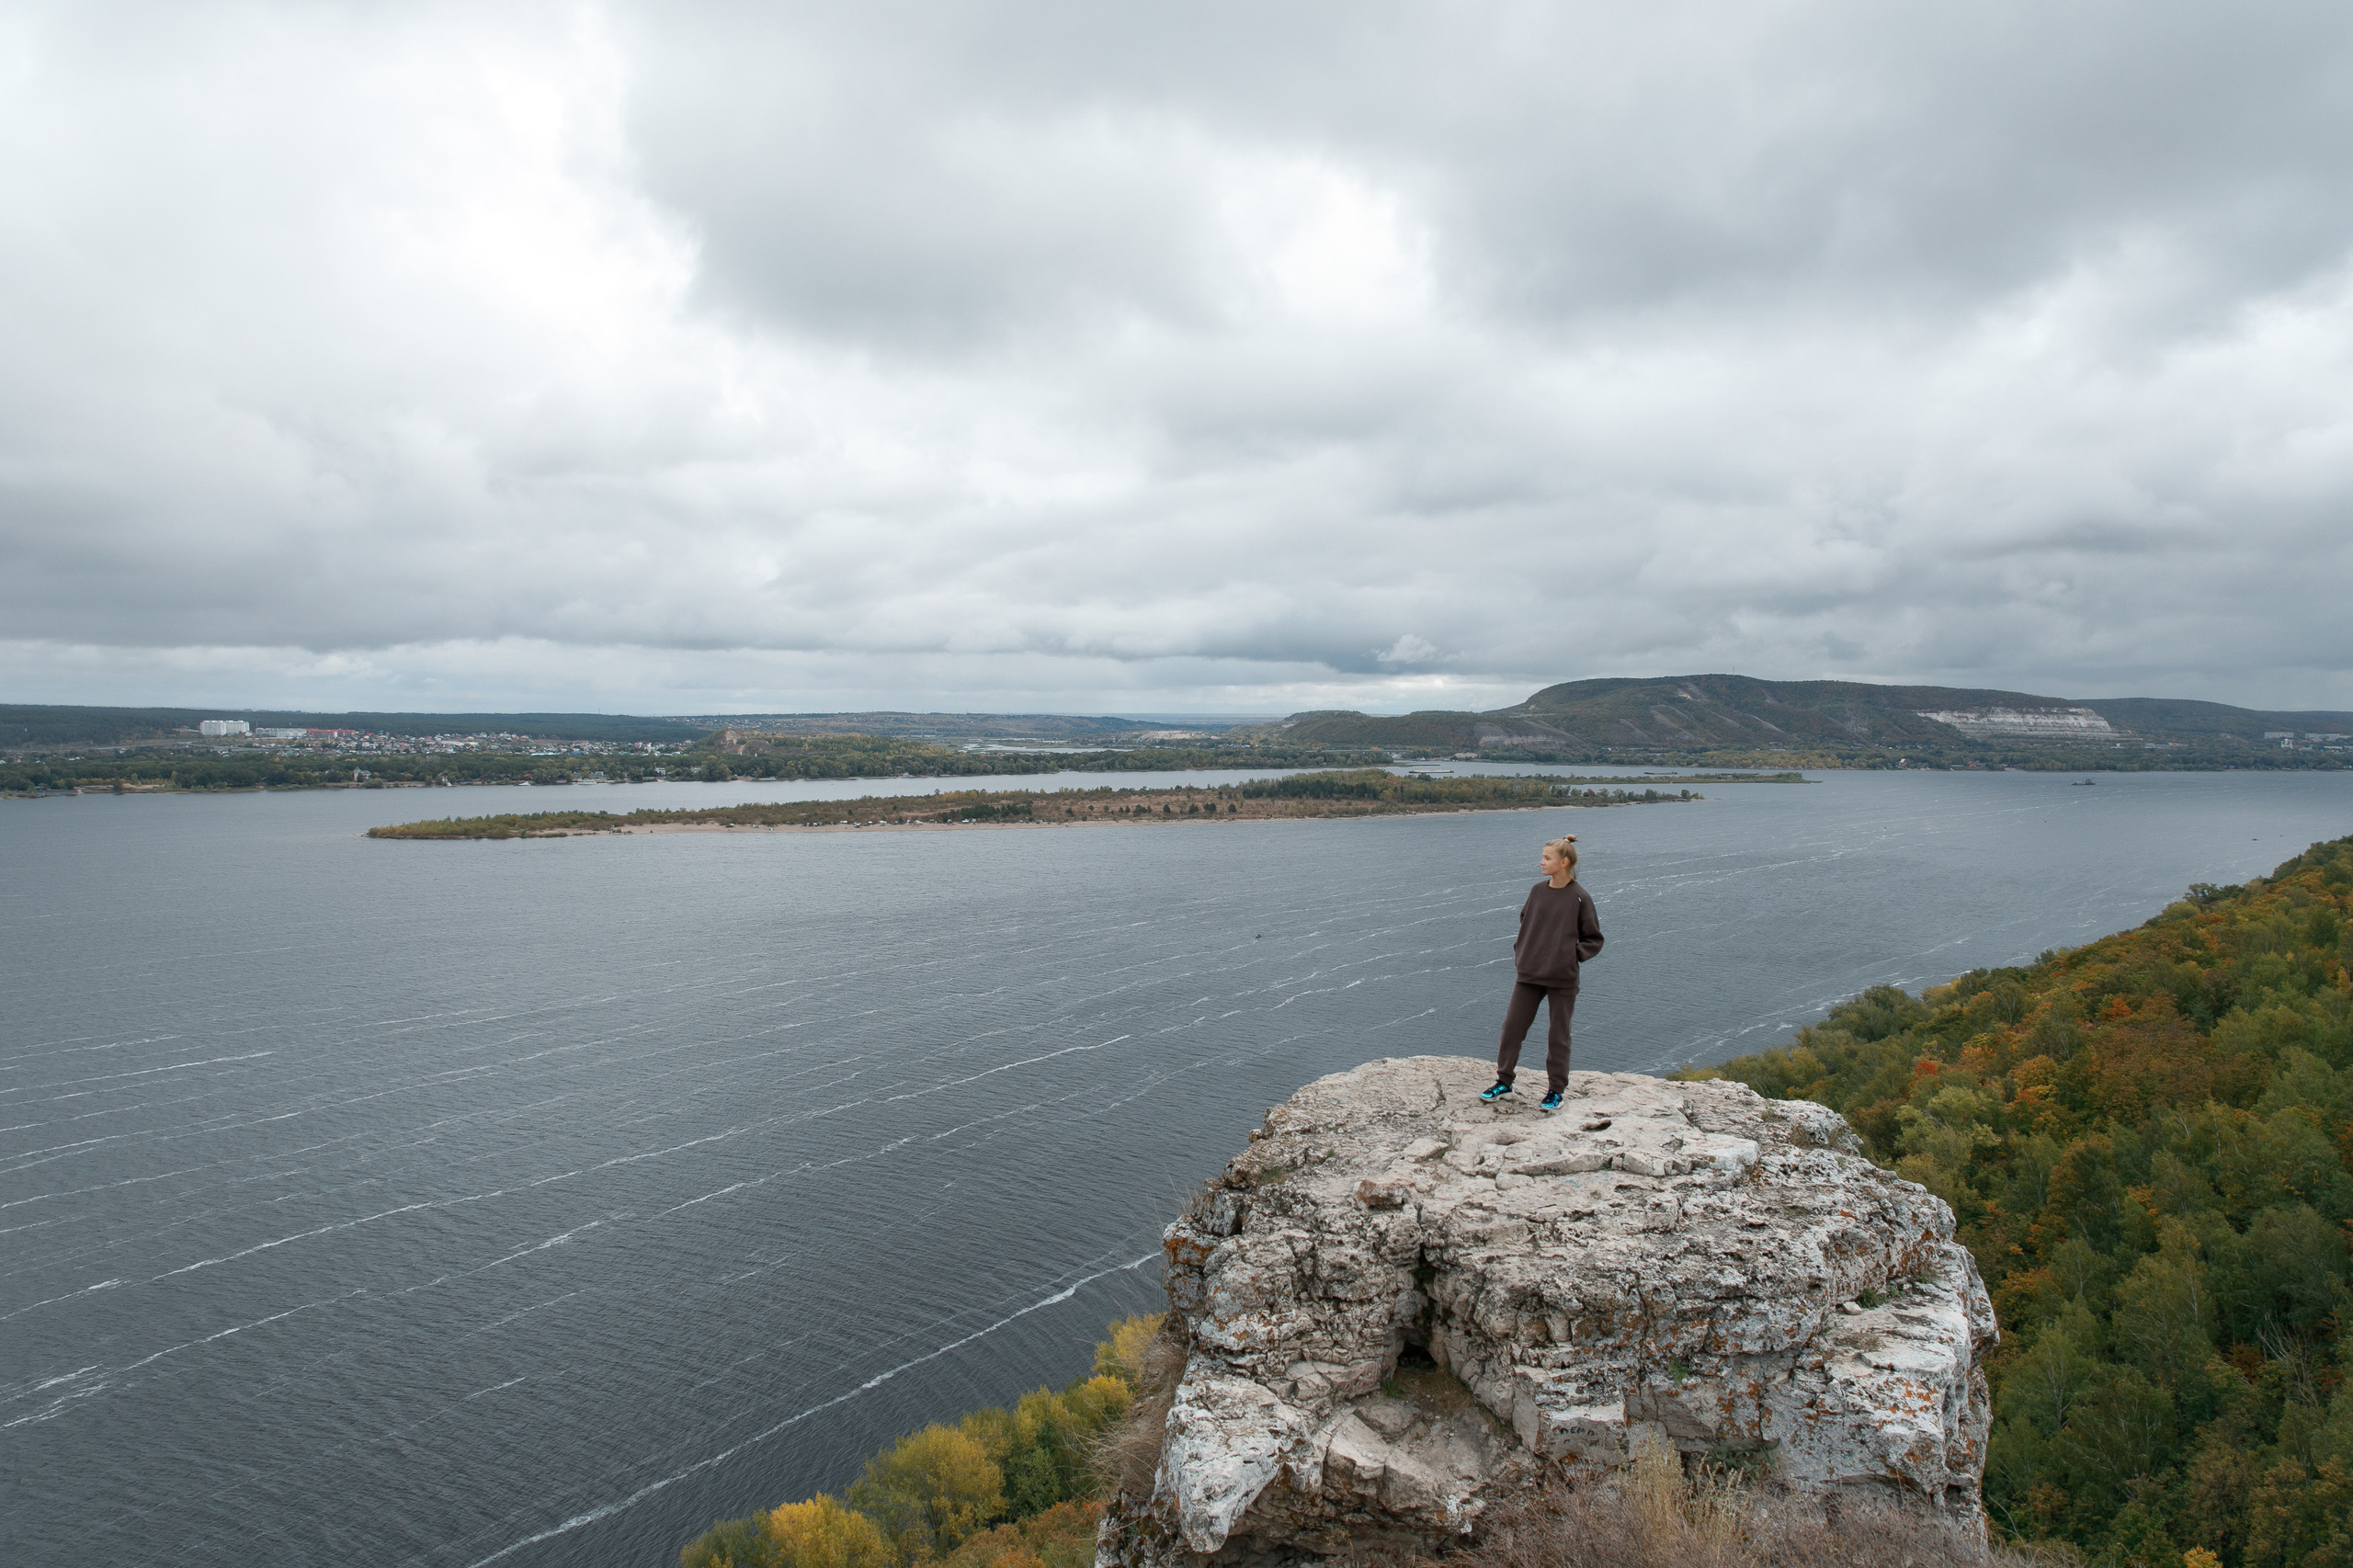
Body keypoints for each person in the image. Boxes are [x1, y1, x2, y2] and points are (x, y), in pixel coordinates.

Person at [1482, 834, 1603, 1112]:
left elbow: (1593, 939)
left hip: (1562, 978)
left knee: (1558, 1036)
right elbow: (1525, 922)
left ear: (1564, 862)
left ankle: (1555, 1091)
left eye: (1547, 858)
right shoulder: (1537, 891)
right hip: (1529, 974)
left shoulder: (1580, 898)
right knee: (1511, 1029)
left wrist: (1570, 958)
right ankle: (1504, 1081)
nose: (1541, 862)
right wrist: (1522, 952)